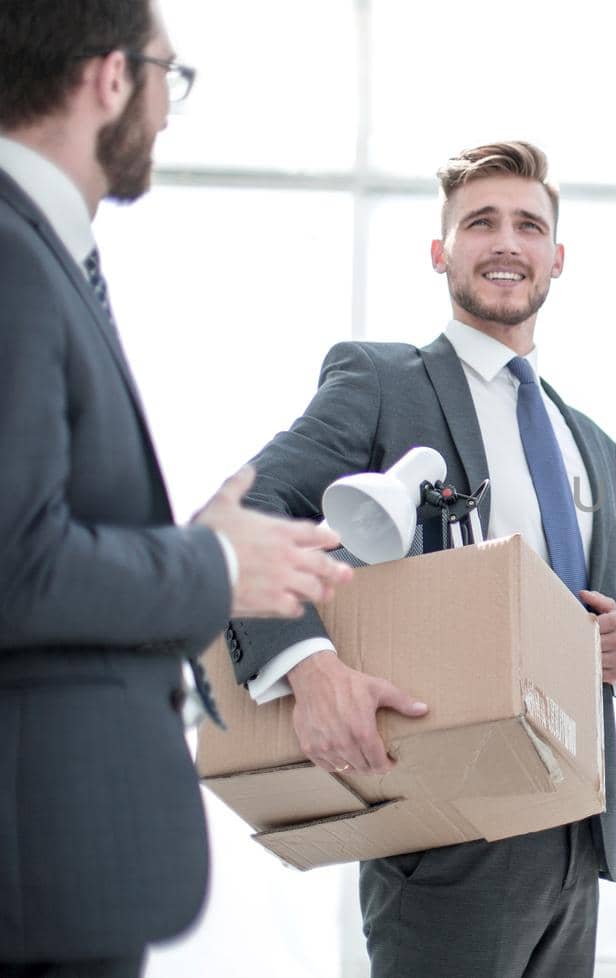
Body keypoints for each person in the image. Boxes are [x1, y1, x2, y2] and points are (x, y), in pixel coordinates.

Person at [222, 139, 616, 978]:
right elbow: (246, 516)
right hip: (446, 823)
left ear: (556, 258)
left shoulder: (591, 445)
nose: (506, 242)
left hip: (576, 832)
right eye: (480, 223)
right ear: (441, 251)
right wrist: (310, 669)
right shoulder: (385, 383)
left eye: (528, 225)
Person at [0, 2, 352, 974]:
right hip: (39, 869)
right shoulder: (12, 257)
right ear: (110, 77)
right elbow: (17, 563)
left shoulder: (41, 250)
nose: (164, 107)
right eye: (168, 76)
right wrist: (212, 565)